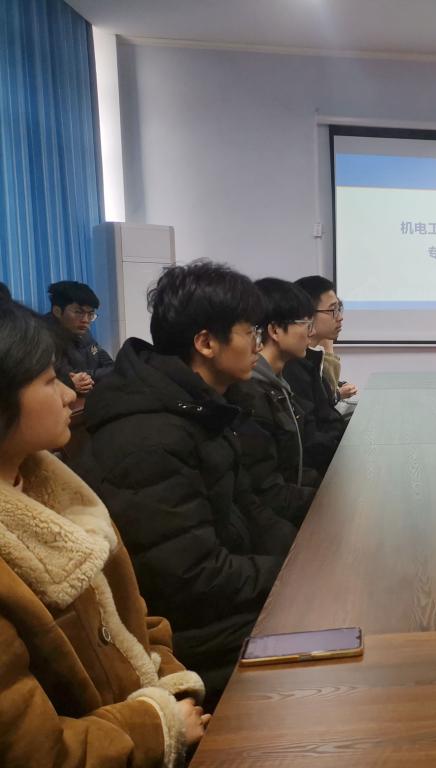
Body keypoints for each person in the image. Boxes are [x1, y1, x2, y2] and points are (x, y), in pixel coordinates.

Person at [72, 261, 297, 708]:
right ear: (206, 343)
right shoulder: (149, 436)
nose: (258, 344)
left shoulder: (203, 407)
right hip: (190, 635)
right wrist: (289, 576)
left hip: (225, 603)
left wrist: (304, 557)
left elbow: (252, 510)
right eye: (250, 332)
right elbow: (192, 577)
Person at [0, 300, 209, 766]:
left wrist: (174, 687)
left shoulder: (56, 488)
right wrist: (158, 724)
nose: (68, 396)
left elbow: (134, 617)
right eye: (48, 381)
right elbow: (34, 752)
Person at [226, 278, 320, 526]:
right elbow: (267, 493)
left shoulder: (278, 384)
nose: (311, 332)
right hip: (280, 524)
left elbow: (293, 470)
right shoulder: (250, 395)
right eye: (305, 324)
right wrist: (328, 500)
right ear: (275, 330)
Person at [284, 276, 351, 474]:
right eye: (333, 310)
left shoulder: (310, 359)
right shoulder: (291, 368)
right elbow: (314, 441)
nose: (339, 317)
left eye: (339, 309)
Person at [46, 280, 115, 396]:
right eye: (78, 312)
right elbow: (70, 377)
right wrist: (109, 372)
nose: (86, 320)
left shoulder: (83, 331)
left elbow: (105, 360)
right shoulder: (43, 338)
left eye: (90, 314)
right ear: (57, 311)